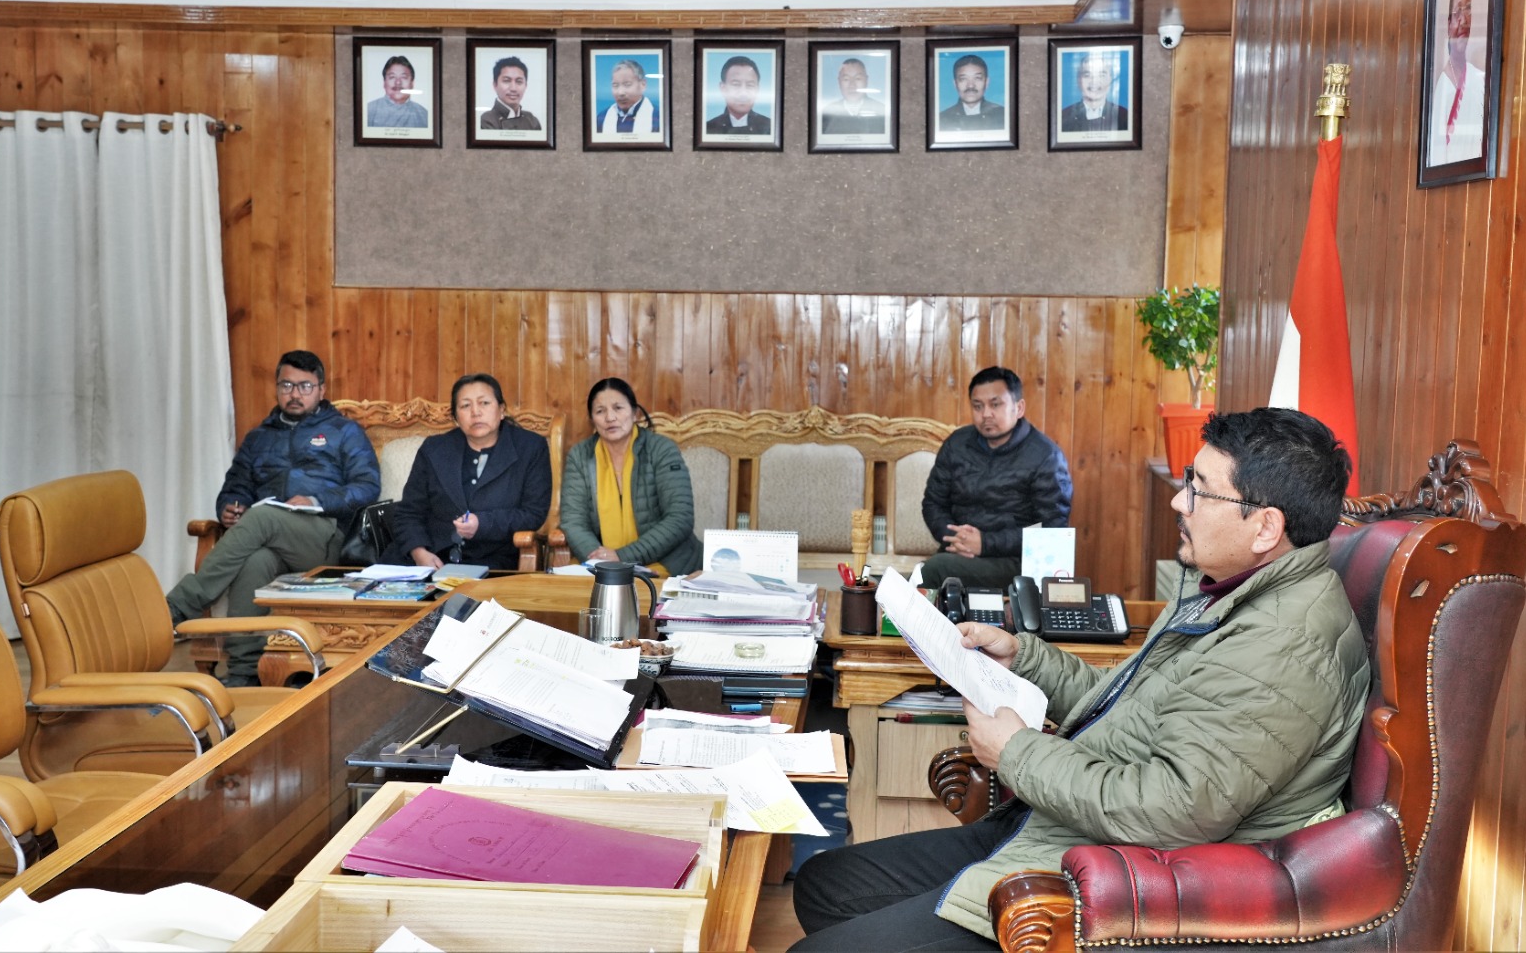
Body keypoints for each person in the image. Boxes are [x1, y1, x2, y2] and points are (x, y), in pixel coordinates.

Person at [794, 408, 1371, 950]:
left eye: (1198, 489)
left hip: (1110, 879)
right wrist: (1024, 657)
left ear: (1265, 526)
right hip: (1065, 825)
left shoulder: (1281, 647)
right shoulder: (1230, 588)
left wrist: (1015, 753)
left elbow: (1170, 810)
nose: (1178, 503)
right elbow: (1134, 703)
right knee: (824, 884)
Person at [166, 350, 379, 687]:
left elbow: (368, 487)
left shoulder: (343, 431)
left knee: (263, 516)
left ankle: (178, 606)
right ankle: (244, 671)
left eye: (305, 386)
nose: (294, 394)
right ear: (277, 388)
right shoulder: (259, 437)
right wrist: (230, 506)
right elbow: (236, 485)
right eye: (287, 385)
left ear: (322, 390)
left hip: (324, 537)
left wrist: (315, 499)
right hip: (271, 538)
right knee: (256, 562)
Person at [919, 366, 1072, 590]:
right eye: (978, 406)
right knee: (920, 576)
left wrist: (986, 544)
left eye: (995, 404)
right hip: (961, 553)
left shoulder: (1046, 456)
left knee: (934, 570)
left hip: (1017, 562)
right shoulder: (957, 444)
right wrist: (957, 539)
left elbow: (1051, 530)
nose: (986, 414)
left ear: (1019, 408)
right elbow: (933, 503)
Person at [385, 373, 552, 572]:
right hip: (429, 558)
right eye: (465, 405)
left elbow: (533, 514)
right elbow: (409, 512)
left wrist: (482, 524)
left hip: (493, 561)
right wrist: (419, 552)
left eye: (484, 403)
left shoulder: (530, 448)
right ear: (455, 418)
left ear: (501, 410)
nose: (475, 412)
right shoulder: (434, 449)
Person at [559, 378, 703, 577]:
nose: (610, 417)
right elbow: (573, 521)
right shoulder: (580, 455)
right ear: (592, 419)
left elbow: (680, 518)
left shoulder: (661, 449)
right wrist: (600, 561)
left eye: (618, 408)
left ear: (634, 413)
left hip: (664, 561)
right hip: (599, 563)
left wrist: (622, 556)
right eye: (600, 411)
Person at [1427, 0, 1485, 166]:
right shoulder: (1439, 88)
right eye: (1457, 10)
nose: (1463, 19)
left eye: (1468, 8)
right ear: (1448, 23)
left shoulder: (1482, 80)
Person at [1059, 51, 1129, 132]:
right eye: (1087, 75)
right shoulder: (1063, 117)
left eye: (1101, 75)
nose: (1094, 82)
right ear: (1078, 80)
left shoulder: (1124, 116)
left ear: (1110, 79)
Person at [704, 55, 772, 136]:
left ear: (757, 89)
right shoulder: (707, 129)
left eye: (750, 85)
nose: (743, 92)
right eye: (736, 84)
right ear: (723, 88)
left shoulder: (770, 127)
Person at [937, 54, 1005, 131]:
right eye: (963, 79)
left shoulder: (1003, 115)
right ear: (955, 84)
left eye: (977, 78)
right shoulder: (941, 119)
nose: (970, 85)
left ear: (987, 82)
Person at [820, 57, 887, 135]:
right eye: (846, 79)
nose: (852, 85)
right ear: (839, 82)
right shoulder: (826, 115)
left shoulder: (882, 112)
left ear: (866, 80)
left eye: (858, 79)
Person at [596, 59, 660, 134]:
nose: (621, 92)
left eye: (627, 84)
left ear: (643, 84)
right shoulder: (602, 118)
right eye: (615, 85)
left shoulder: (658, 118)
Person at [479, 55, 542, 131]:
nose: (513, 88)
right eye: (506, 81)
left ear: (525, 86)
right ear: (495, 85)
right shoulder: (486, 120)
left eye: (519, 81)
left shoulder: (532, 120)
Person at [366, 55, 428, 129]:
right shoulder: (369, 111)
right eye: (392, 77)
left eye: (404, 77)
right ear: (384, 82)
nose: (398, 82)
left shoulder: (423, 115)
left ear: (412, 83)